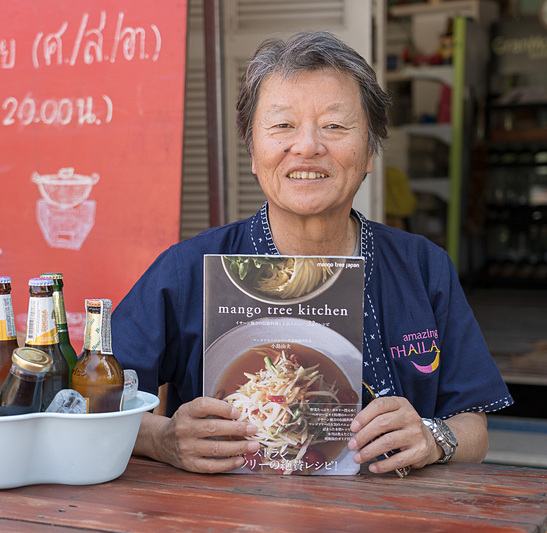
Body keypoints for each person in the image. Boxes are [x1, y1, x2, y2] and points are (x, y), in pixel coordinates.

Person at [112, 31, 512, 475]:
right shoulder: (186, 270)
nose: (307, 146)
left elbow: (474, 426)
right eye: (282, 125)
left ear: (370, 152)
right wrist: (161, 438)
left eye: (335, 126)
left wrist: (435, 436)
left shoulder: (422, 266)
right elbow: (97, 401)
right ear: (252, 149)